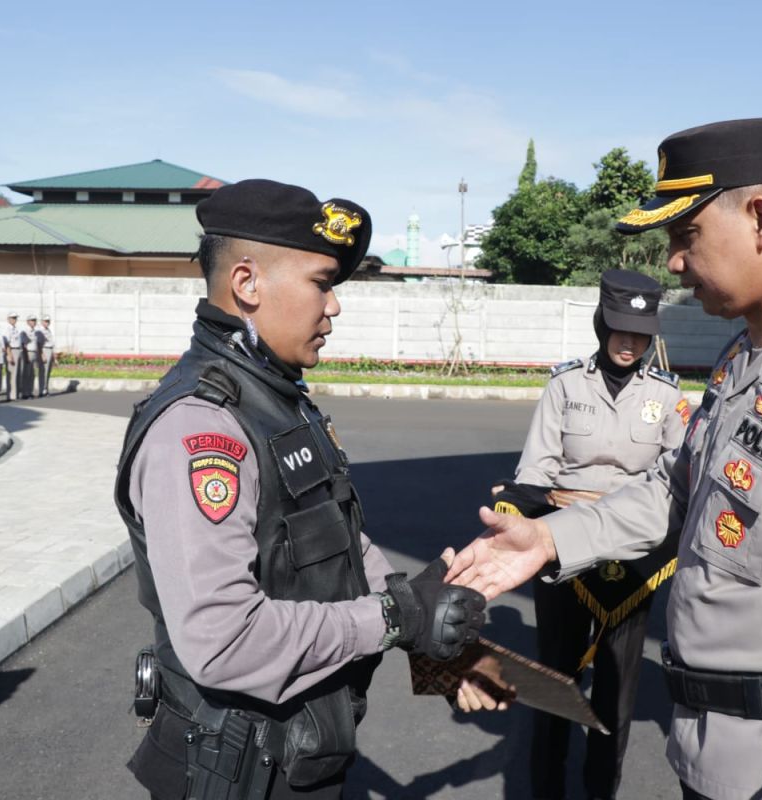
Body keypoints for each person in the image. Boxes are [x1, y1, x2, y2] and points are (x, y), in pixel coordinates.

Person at [449, 117, 762, 800]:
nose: (674, 263)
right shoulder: (747, 355)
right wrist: (547, 537)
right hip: (710, 752)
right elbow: (677, 491)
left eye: (685, 236)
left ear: (761, 219)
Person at [113, 179, 491, 800]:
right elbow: (224, 640)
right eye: (321, 282)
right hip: (233, 774)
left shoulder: (280, 402)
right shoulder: (203, 427)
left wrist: (419, 615)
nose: (335, 306)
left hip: (297, 755)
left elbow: (332, 540)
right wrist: (395, 619)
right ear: (247, 283)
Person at [507, 268, 687, 800]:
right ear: (600, 325)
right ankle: (547, 790)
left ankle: (600, 790)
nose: (629, 342)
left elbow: (679, 475)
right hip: (563, 549)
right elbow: (536, 473)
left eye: (640, 333)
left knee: (617, 694)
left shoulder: (668, 397)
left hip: (631, 558)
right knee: (554, 681)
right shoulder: (565, 385)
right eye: (619, 329)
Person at [18, 314, 39, 399]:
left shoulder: (35, 331)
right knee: (26, 374)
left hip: (34, 352)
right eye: (32, 320)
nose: (33, 322)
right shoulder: (25, 331)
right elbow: (24, 344)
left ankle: (30, 391)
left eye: (34, 320)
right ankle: (25, 393)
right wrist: (26, 355)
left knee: (32, 374)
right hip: (28, 353)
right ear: (27, 322)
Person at [2, 312, 22, 401]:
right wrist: (9, 355)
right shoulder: (7, 329)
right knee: (11, 374)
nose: (14, 320)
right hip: (12, 351)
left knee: (16, 374)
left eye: (15, 318)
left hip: (18, 350)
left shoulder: (15, 329)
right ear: (8, 319)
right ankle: (11, 395)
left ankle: (16, 393)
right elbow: (6, 343)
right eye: (13, 318)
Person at [38, 314, 55, 396]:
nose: (47, 323)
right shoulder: (40, 331)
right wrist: (42, 354)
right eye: (45, 321)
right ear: (42, 322)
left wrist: (53, 355)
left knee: (48, 371)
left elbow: (51, 343)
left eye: (48, 321)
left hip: (50, 350)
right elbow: (39, 344)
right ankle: (42, 390)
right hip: (44, 350)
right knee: (43, 371)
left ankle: (46, 389)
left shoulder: (48, 330)